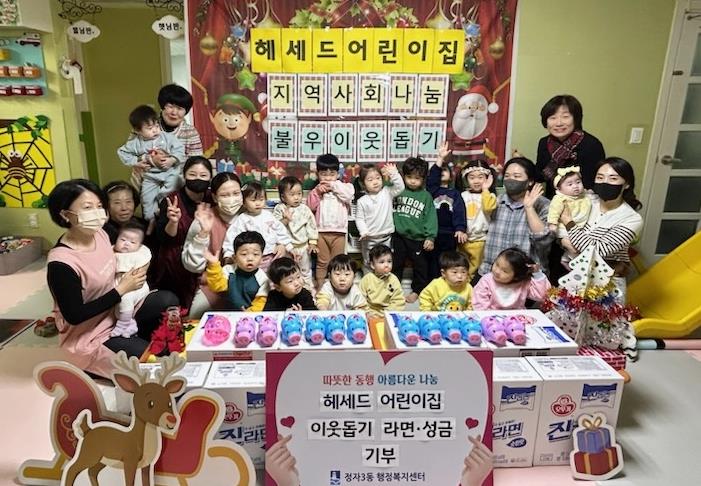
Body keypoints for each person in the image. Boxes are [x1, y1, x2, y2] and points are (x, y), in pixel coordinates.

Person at [46, 179, 178, 378]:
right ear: (65, 215)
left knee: (167, 300)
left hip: (118, 312)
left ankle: (133, 336)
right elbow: (74, 315)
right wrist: (121, 289)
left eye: (99, 206)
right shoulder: (61, 263)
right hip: (91, 335)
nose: (97, 212)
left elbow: (133, 247)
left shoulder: (101, 233)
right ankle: (96, 361)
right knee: (152, 364)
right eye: (87, 207)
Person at [560, 157, 643, 301]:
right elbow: (555, 221)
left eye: (613, 178)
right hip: (574, 277)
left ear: (627, 184)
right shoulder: (584, 201)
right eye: (600, 177)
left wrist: (569, 223)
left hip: (607, 286)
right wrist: (563, 240)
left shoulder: (631, 218)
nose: (605, 182)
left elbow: (599, 251)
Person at [152, 155, 212, 311]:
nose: (198, 179)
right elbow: (164, 238)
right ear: (184, 176)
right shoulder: (171, 201)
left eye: (203, 175)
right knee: (176, 310)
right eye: (192, 174)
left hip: (203, 260)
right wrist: (173, 221)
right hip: (174, 264)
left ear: (210, 177)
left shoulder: (212, 198)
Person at [478, 157, 553, 279]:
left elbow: (544, 241)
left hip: (527, 277)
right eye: (507, 176)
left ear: (530, 181)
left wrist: (529, 208)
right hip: (491, 274)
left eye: (517, 176)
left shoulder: (544, 205)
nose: (511, 179)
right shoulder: (495, 202)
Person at [181, 171, 243, 317]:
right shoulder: (205, 219)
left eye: (236, 193)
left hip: (247, 283)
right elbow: (192, 266)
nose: (232, 199)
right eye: (225, 195)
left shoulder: (251, 217)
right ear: (215, 197)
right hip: (212, 285)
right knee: (196, 318)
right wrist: (203, 233)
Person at [117, 104, 185, 221]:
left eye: (156, 126)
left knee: (173, 184)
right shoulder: (136, 143)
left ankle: (162, 200)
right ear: (138, 131)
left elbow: (179, 149)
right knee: (147, 199)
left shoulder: (167, 137)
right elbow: (122, 152)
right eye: (149, 128)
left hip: (170, 172)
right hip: (150, 176)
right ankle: (150, 221)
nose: (155, 130)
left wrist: (172, 160)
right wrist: (136, 162)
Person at [536, 94, 605, 198]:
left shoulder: (591, 145)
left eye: (565, 117)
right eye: (553, 117)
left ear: (576, 119)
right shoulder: (544, 143)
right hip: (554, 201)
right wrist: (523, 164)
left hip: (582, 201)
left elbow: (596, 183)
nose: (558, 123)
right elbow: (540, 176)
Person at [391, 157, 438, 303]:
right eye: (409, 177)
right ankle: (394, 289)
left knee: (420, 266)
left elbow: (431, 217)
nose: (412, 181)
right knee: (396, 263)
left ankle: (417, 290)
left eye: (417, 178)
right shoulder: (398, 190)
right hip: (399, 235)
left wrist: (430, 237)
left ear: (423, 179)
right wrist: (391, 173)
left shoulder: (426, 196)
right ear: (403, 176)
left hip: (418, 238)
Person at [307, 153, 355, 288]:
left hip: (339, 232)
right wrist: (317, 192)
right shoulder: (316, 190)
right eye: (323, 174)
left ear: (338, 174)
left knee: (337, 262)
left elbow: (349, 196)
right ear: (317, 174)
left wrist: (334, 186)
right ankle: (320, 286)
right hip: (321, 232)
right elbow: (310, 207)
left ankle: (336, 287)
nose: (328, 178)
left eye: (332, 174)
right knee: (322, 262)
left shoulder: (344, 187)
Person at [222, 181, 292, 271]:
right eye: (253, 200)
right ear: (244, 202)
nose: (258, 203)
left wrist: (288, 246)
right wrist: (228, 254)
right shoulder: (242, 219)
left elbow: (280, 231)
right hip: (252, 258)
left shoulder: (268, 216)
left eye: (261, 199)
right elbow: (232, 237)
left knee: (272, 276)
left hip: (271, 255)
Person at [426, 142, 467, 279]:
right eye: (440, 170)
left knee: (448, 262)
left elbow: (459, 212)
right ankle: (433, 284)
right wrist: (440, 158)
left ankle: (447, 283)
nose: (442, 172)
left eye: (445, 170)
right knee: (432, 262)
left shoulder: (455, 193)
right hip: (433, 233)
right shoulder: (432, 191)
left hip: (449, 234)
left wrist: (460, 228)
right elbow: (432, 178)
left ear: (451, 175)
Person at [354, 162, 405, 270]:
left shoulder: (387, 192)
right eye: (370, 180)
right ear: (363, 183)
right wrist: (363, 231)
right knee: (368, 263)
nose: (375, 182)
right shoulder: (362, 201)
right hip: (369, 239)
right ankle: (368, 280)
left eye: (378, 178)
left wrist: (394, 173)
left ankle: (383, 280)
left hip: (386, 237)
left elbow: (400, 187)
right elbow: (359, 219)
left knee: (384, 262)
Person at [204, 231, 268, 312]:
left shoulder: (263, 278)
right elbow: (217, 286)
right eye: (244, 254)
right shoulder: (228, 270)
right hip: (229, 312)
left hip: (251, 315)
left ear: (262, 258)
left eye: (255, 254)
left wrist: (249, 313)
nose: (250, 258)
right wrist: (213, 264)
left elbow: (261, 302)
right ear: (234, 258)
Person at [273, 176, 318, 290]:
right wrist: (285, 219)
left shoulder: (304, 209)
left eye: (299, 193)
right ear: (283, 197)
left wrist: (312, 242)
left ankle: (307, 289)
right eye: (292, 194)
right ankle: (289, 289)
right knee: (288, 271)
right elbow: (275, 227)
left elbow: (311, 226)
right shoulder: (280, 208)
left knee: (305, 270)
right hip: (287, 248)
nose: (297, 197)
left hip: (303, 246)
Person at [472, 247, 551, 310]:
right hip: (491, 319)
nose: (497, 271)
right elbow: (479, 304)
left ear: (516, 276)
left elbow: (541, 296)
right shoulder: (487, 280)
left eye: (504, 271)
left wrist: (537, 274)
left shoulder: (523, 283)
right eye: (497, 264)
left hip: (517, 319)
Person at [457, 159, 497, 280]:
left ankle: (472, 287)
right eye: (472, 177)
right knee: (461, 266)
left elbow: (488, 208)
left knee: (475, 269)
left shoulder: (490, 196)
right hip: (463, 239)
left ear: (488, 178)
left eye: (480, 177)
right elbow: (457, 215)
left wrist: (485, 189)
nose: (476, 181)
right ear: (466, 179)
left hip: (480, 240)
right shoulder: (463, 195)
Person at [111, 222, 152, 337]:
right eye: (122, 239)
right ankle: (131, 325)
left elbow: (139, 274)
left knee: (125, 299)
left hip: (137, 287)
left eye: (133, 242)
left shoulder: (139, 255)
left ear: (139, 246)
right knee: (117, 305)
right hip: (119, 286)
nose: (126, 243)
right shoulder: (111, 252)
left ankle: (122, 324)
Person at [546, 166, 592, 263]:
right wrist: (552, 223)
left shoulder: (583, 195)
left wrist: (590, 193)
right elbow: (554, 211)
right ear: (559, 188)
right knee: (573, 245)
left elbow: (590, 198)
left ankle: (569, 258)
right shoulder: (560, 199)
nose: (575, 186)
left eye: (578, 182)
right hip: (564, 228)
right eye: (570, 184)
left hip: (580, 226)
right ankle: (571, 259)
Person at [157, 83, 203, 157]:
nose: (174, 112)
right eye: (170, 107)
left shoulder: (190, 132)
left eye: (180, 109)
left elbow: (196, 161)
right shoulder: (147, 126)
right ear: (162, 106)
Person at [360, 244, 405, 317]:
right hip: (370, 313)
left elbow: (398, 300)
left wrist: (387, 314)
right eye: (382, 262)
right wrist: (368, 312)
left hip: (388, 313)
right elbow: (360, 299)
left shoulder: (393, 279)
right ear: (372, 265)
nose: (386, 265)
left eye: (389, 261)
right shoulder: (367, 279)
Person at [101, 180, 145, 244]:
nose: (124, 208)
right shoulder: (101, 231)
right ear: (106, 206)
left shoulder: (144, 227)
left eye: (128, 201)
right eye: (117, 203)